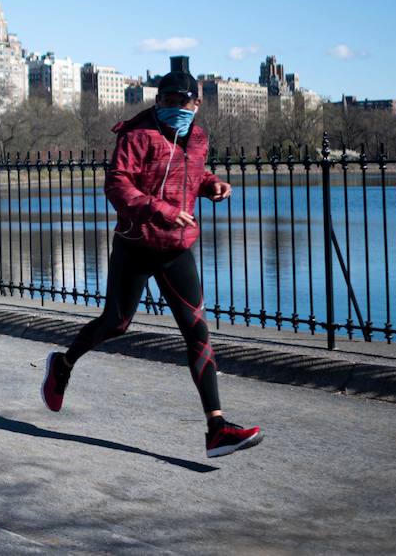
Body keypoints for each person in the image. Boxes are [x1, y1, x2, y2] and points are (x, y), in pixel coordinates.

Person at [38, 65, 264, 458]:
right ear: (158, 102)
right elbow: (117, 184)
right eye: (170, 102)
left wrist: (212, 186)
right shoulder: (137, 134)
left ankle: (216, 428)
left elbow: (191, 174)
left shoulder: (197, 137)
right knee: (117, 323)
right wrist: (159, 210)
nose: (177, 108)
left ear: (197, 103)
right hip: (136, 243)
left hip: (177, 247)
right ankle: (63, 363)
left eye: (185, 102)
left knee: (197, 332)